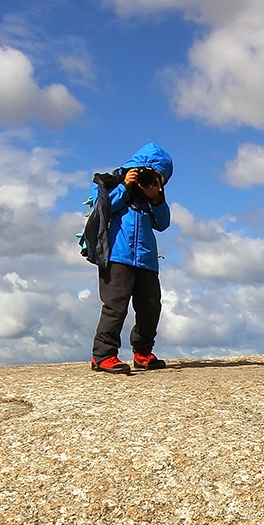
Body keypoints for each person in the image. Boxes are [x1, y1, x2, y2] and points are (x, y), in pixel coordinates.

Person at [91, 142, 172, 374]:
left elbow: (163, 223)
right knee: (115, 306)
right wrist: (125, 188)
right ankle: (103, 355)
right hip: (117, 256)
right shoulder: (109, 184)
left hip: (146, 260)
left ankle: (143, 352)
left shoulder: (152, 197)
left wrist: (156, 197)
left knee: (150, 307)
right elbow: (101, 209)